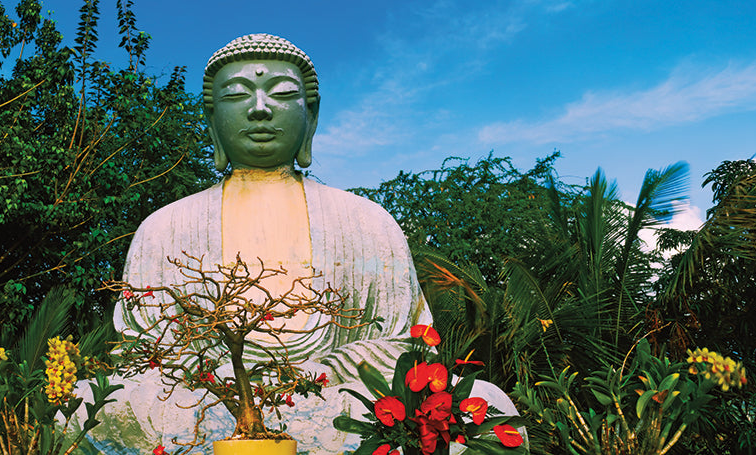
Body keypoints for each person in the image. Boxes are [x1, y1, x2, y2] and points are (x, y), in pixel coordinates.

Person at [92, 34, 517, 454]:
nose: (260, 109)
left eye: (281, 94)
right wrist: (218, 376)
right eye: (237, 95)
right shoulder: (164, 228)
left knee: (491, 405)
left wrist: (320, 372)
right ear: (211, 119)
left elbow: (406, 344)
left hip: (335, 400)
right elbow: (143, 352)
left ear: (310, 115)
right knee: (90, 406)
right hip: (205, 402)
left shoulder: (366, 222)